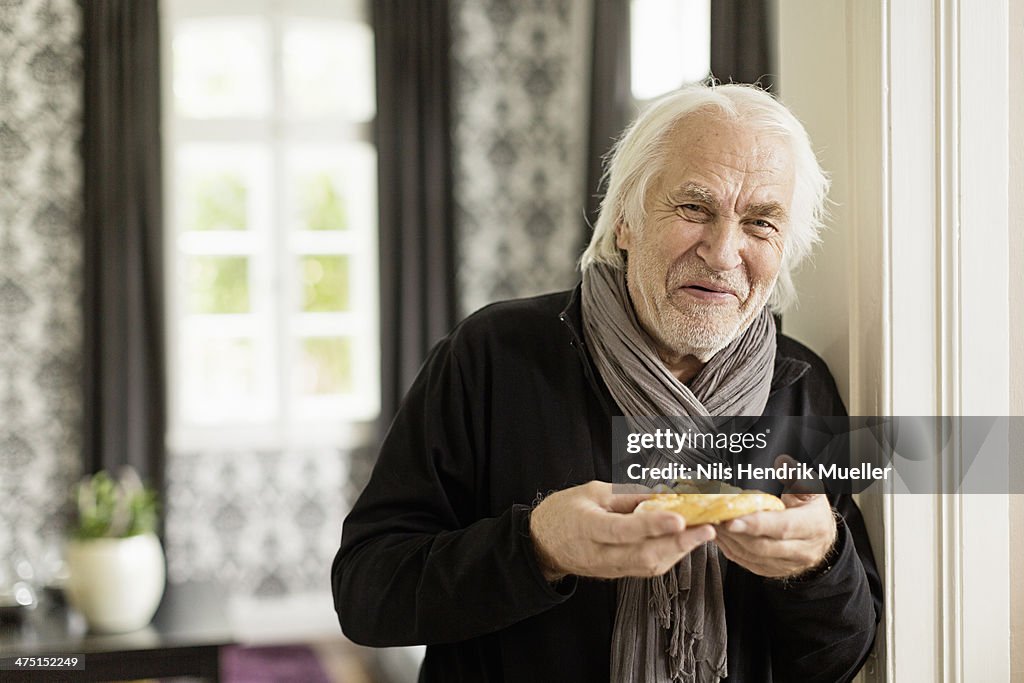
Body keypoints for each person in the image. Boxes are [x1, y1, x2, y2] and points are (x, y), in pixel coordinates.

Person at [332, 83, 882, 683]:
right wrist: (538, 547)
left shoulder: (803, 388)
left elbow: (843, 655)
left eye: (760, 222)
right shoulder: (493, 356)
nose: (725, 252)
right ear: (624, 220)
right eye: (694, 208)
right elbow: (368, 594)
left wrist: (818, 564)